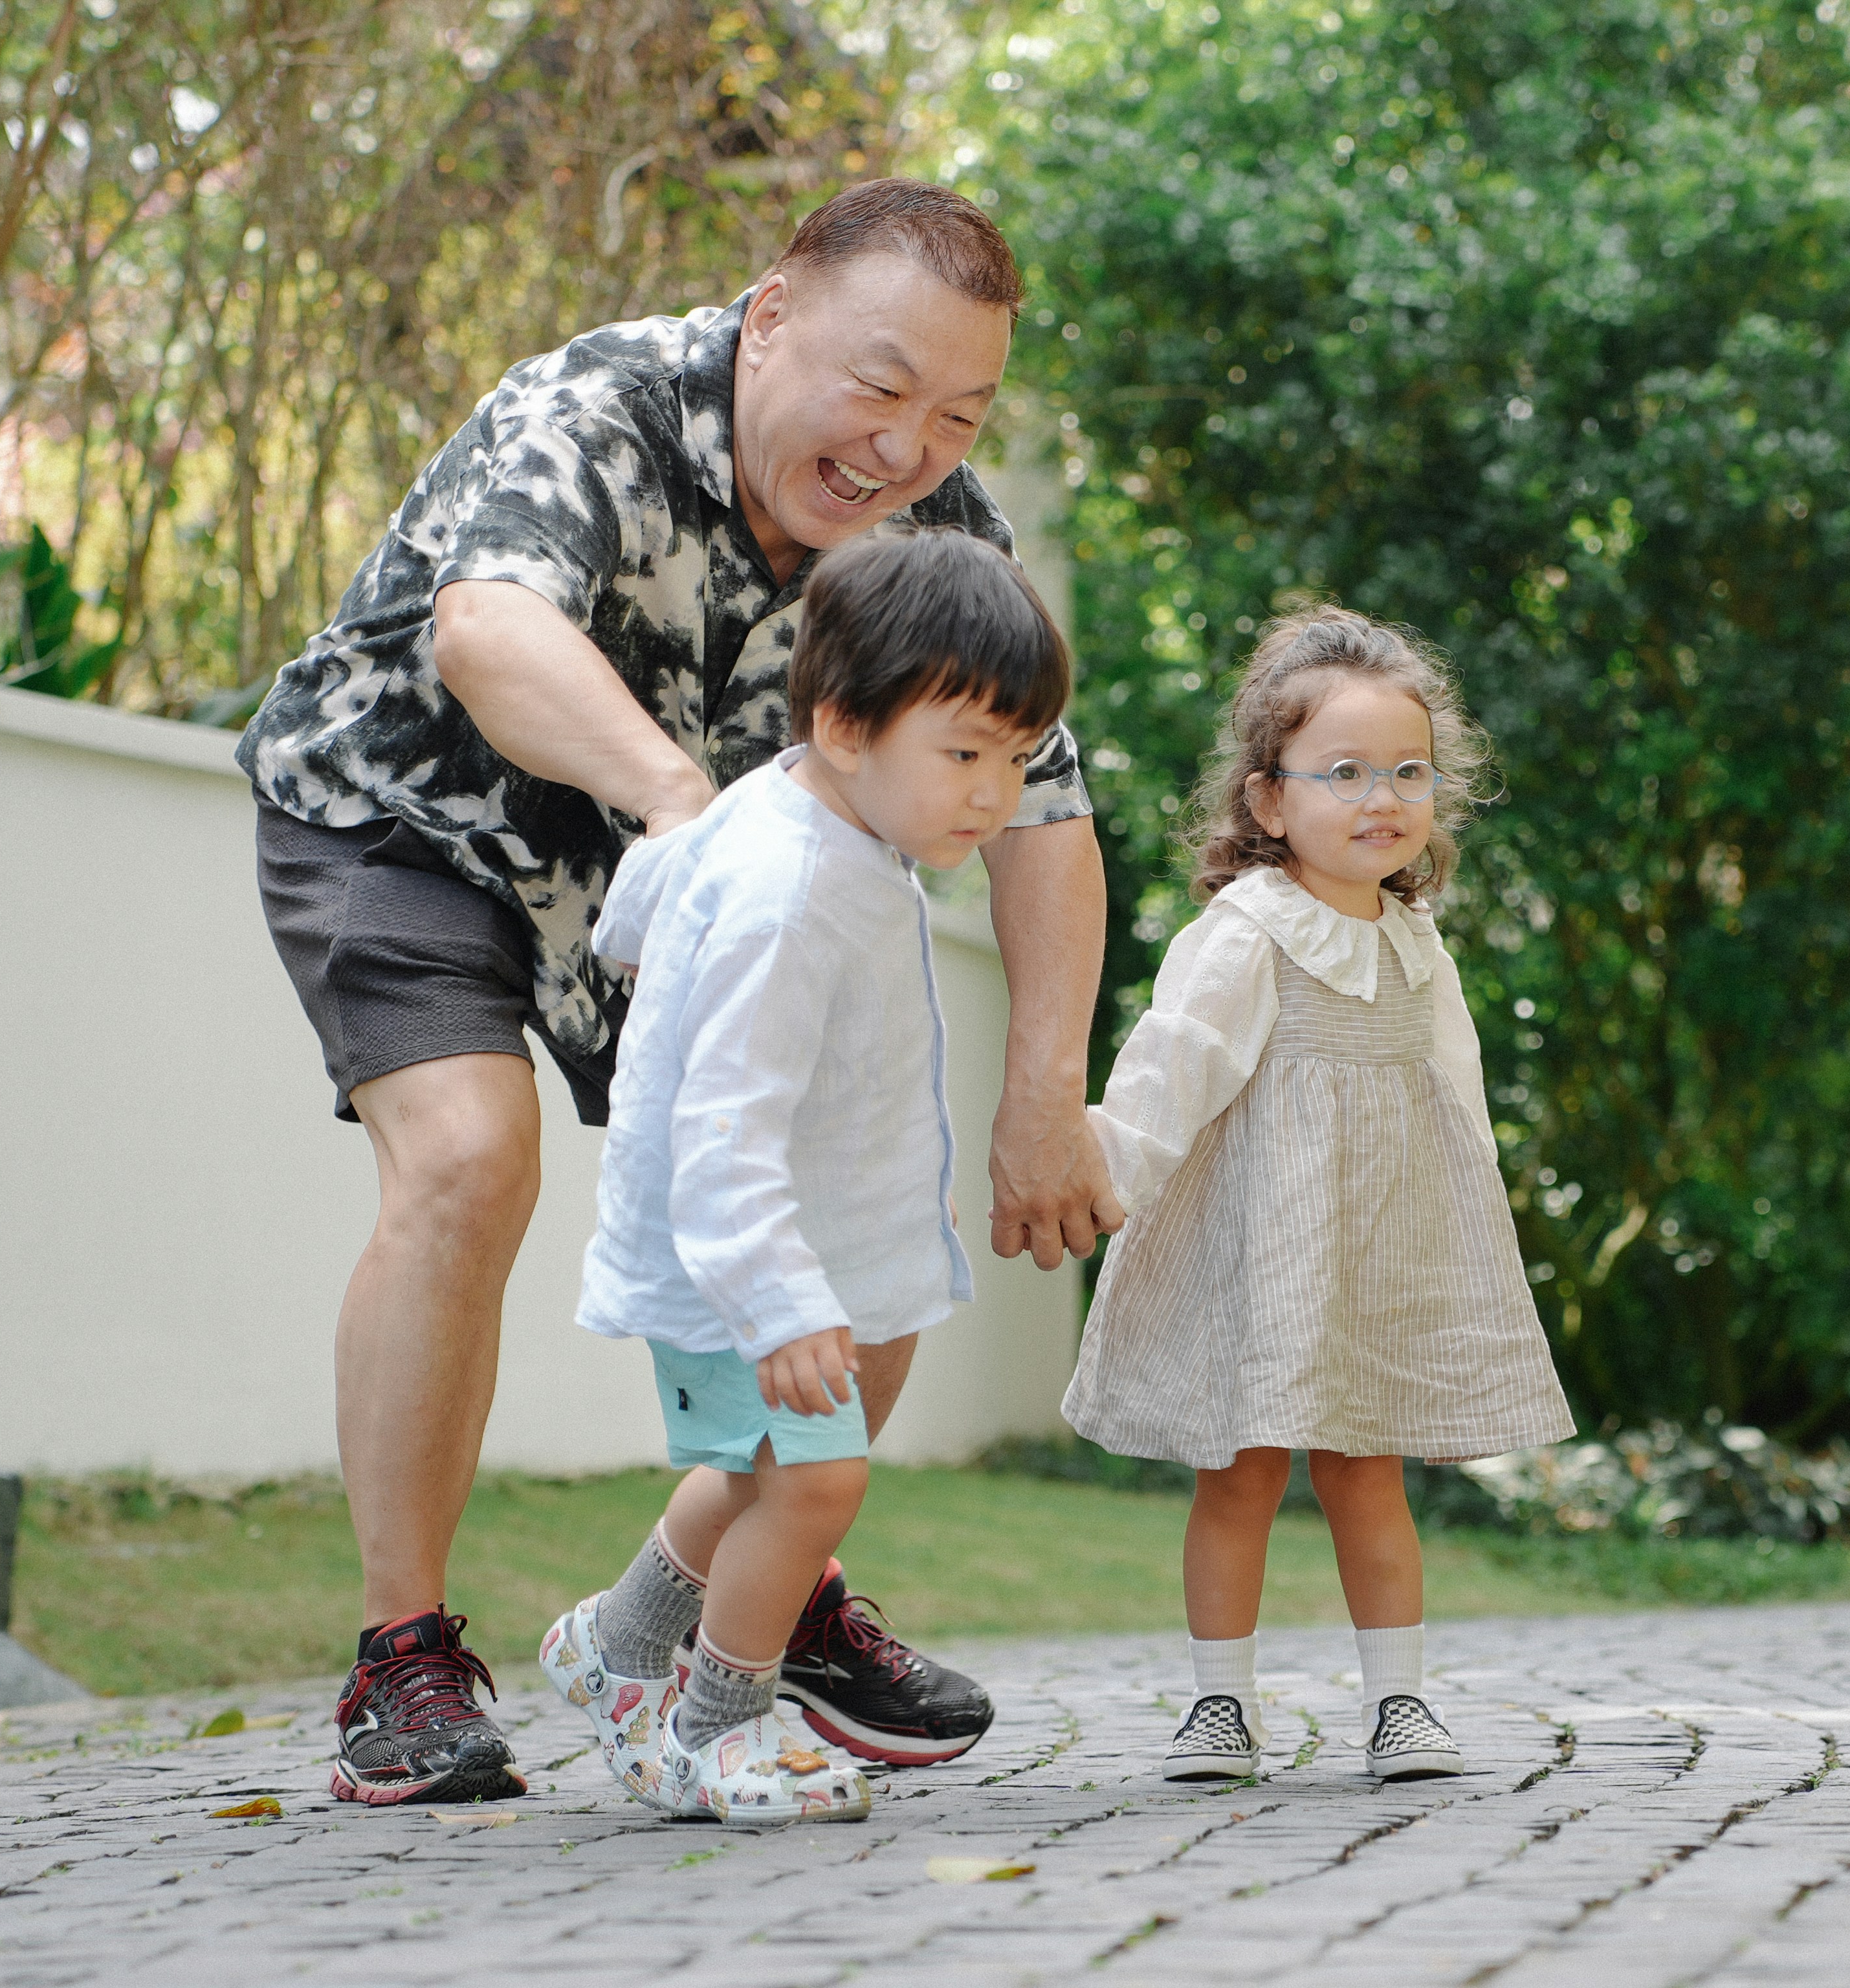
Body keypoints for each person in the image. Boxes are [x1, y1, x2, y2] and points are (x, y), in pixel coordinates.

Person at [237, 179, 1121, 1806]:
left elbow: (1047, 818)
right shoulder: (600, 405)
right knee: (467, 1159)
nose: (905, 445)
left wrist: (1045, 1090)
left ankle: (740, 1597)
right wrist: (676, 797)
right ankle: (403, 1658)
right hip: (417, 823)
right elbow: (489, 627)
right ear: (770, 315)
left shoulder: (945, 534)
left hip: (701, 894)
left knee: (829, 1214)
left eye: (956, 411)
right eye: (878, 383)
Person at [538, 529, 1071, 1825]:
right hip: (743, 1261)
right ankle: (719, 1725)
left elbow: (642, 902)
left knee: (747, 1473)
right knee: (815, 1484)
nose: (993, 796)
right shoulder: (789, 887)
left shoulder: (805, 824)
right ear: (843, 724)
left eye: (1013, 759)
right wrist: (779, 1301)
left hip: (785, 1246)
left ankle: (613, 1648)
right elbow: (723, 1125)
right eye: (964, 753)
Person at [1064, 607, 1576, 1784]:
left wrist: (1471, 1220)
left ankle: (1400, 1701)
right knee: (1239, 1471)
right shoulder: (1249, 931)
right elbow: (1173, 1062)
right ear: (1267, 801)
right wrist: (1099, 1174)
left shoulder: (1415, 940)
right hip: (1260, 1239)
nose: (1379, 797)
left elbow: (1455, 1087)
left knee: (1368, 1466)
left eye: (1407, 772)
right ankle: (1219, 1707)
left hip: (1381, 1242)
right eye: (1342, 773)